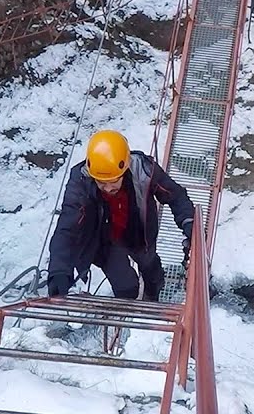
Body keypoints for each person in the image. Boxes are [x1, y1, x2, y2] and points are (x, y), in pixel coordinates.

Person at [47, 129, 195, 301]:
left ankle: (153, 293)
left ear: (125, 169)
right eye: (101, 183)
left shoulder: (144, 170)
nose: (108, 188)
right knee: (125, 285)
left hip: (140, 233)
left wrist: (188, 221)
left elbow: (175, 195)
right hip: (106, 241)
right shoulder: (81, 183)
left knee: (150, 267)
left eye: (114, 181)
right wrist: (59, 270)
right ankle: (129, 306)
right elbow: (68, 226)